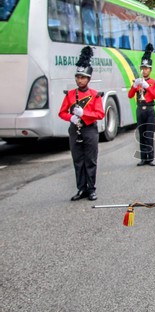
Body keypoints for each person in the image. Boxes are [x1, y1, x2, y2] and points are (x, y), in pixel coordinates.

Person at [58, 46, 105, 201]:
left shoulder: (94, 95)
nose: (80, 80)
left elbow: (100, 114)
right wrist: (70, 118)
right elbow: (62, 112)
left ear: (88, 79)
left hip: (89, 130)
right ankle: (81, 189)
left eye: (83, 77)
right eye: (78, 77)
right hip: (75, 130)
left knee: (90, 161)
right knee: (78, 161)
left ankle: (91, 189)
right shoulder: (71, 94)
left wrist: (84, 114)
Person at [128, 44, 155, 166]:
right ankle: (143, 157)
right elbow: (130, 95)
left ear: (150, 70)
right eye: (143, 68)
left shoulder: (153, 82)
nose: (144, 70)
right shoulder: (138, 81)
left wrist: (148, 87)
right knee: (141, 133)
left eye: (146, 68)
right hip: (140, 109)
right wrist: (135, 86)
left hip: (150, 109)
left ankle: (150, 158)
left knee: (149, 134)